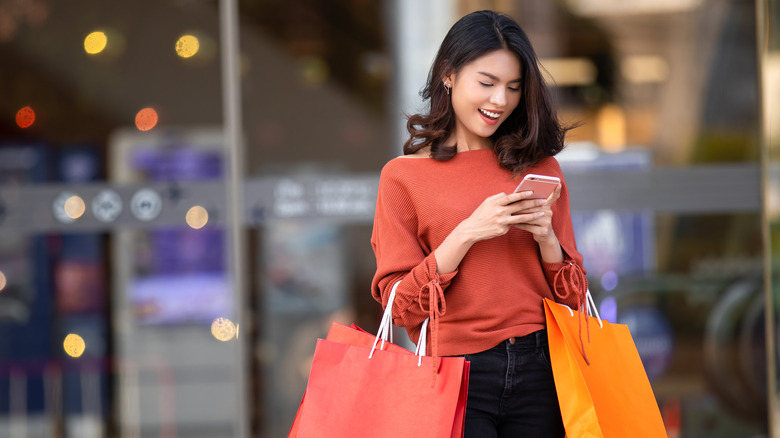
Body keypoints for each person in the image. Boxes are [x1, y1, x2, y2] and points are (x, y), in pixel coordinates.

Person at [370, 10, 588, 437]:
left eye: (512, 87)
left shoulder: (540, 169)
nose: (500, 101)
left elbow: (576, 297)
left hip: (543, 368)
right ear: (449, 74)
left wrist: (546, 240)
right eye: (486, 83)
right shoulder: (402, 177)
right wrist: (469, 231)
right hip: (455, 372)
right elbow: (399, 307)